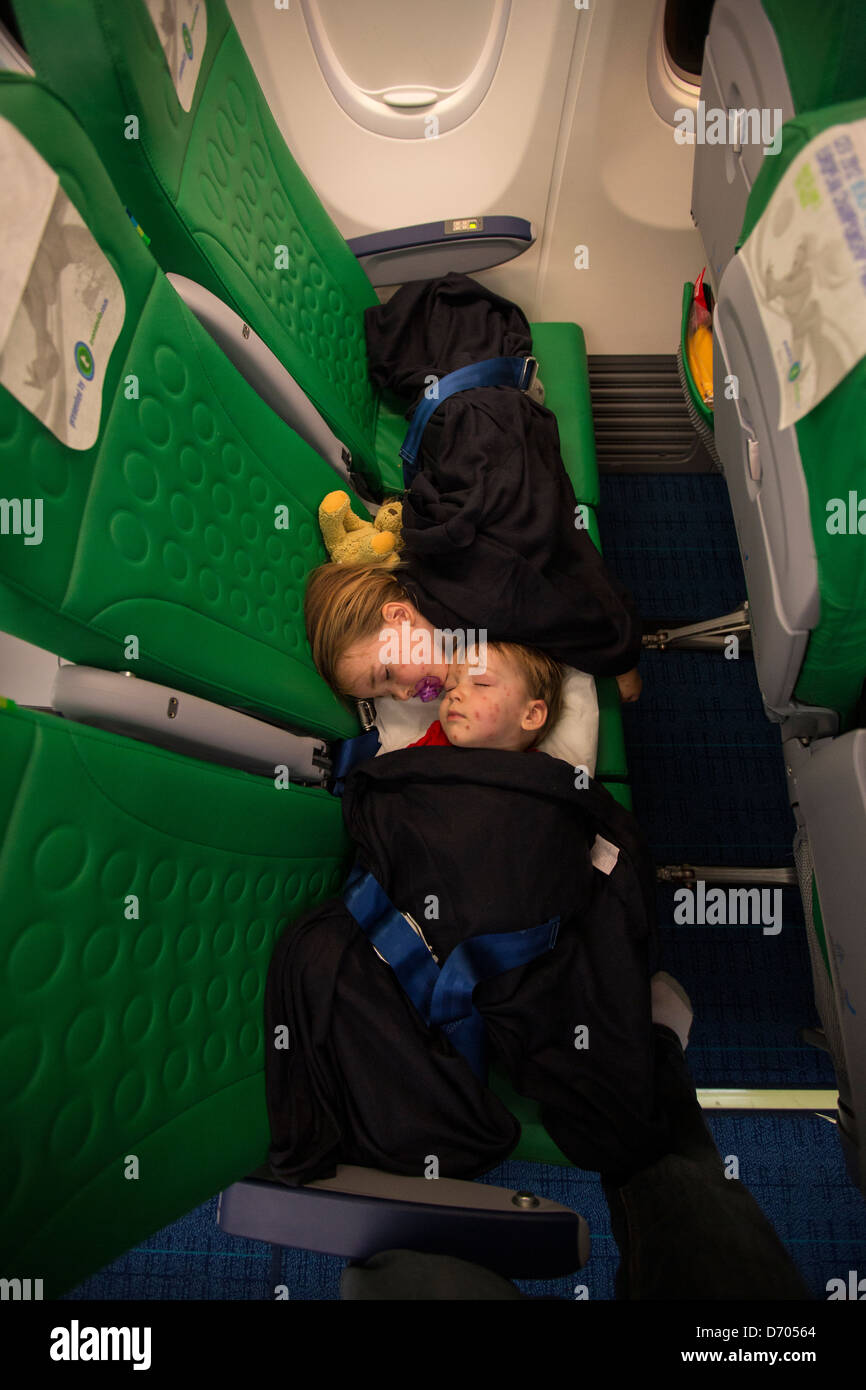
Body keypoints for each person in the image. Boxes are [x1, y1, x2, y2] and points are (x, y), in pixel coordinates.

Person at [303, 559, 642, 707]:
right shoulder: (441, 636)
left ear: (399, 617)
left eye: (388, 674)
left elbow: (563, 609)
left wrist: (617, 658)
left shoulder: (477, 602)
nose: (403, 696)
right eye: (388, 696)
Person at [408, 643, 565, 752]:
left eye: (481, 684)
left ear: (531, 715)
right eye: (449, 687)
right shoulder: (428, 746)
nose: (454, 694)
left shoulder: (542, 777)